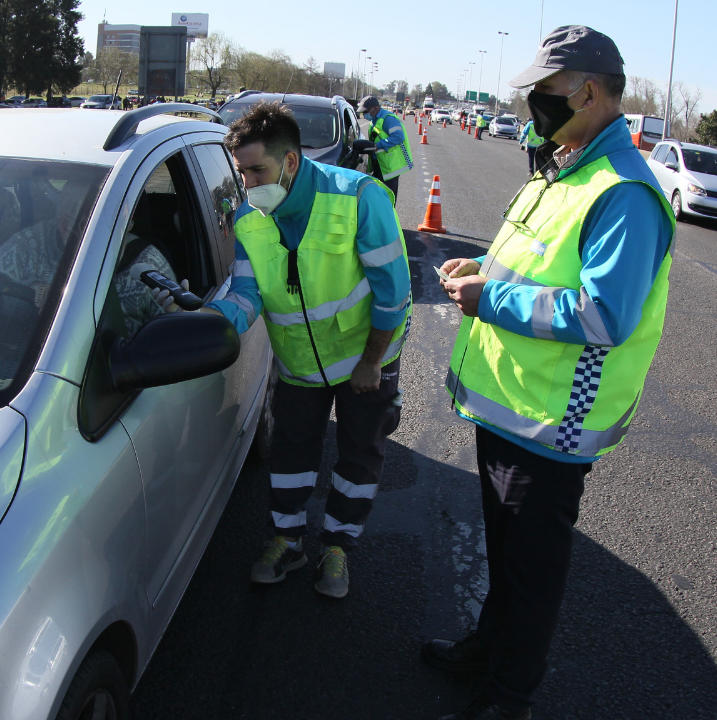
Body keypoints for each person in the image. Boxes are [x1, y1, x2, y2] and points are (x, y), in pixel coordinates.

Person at [426, 25, 675, 720]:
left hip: (552, 423)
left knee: (531, 577)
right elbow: (537, 263)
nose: (533, 107)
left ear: (589, 92)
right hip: (509, 404)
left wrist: (489, 298)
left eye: (544, 94)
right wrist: (482, 270)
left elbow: (604, 315)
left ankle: (509, 700)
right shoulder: (565, 166)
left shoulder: (621, 191)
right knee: (504, 558)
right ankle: (487, 647)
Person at [163, 101, 411, 599]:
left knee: (359, 458)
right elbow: (246, 294)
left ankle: (338, 548)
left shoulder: (360, 198)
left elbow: (394, 294)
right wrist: (207, 324)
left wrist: (371, 363)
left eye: (258, 170)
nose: (249, 184)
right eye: (242, 173)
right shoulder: (250, 220)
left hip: (365, 363)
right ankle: (287, 540)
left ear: (291, 161)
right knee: (290, 455)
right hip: (298, 365)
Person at [359, 95, 413, 202]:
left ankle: (388, 218)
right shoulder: (374, 120)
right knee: (379, 198)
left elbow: (398, 136)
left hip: (390, 167)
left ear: (375, 108)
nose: (364, 115)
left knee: (387, 199)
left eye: (366, 111)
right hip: (380, 164)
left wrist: (378, 146)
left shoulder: (388, 119)